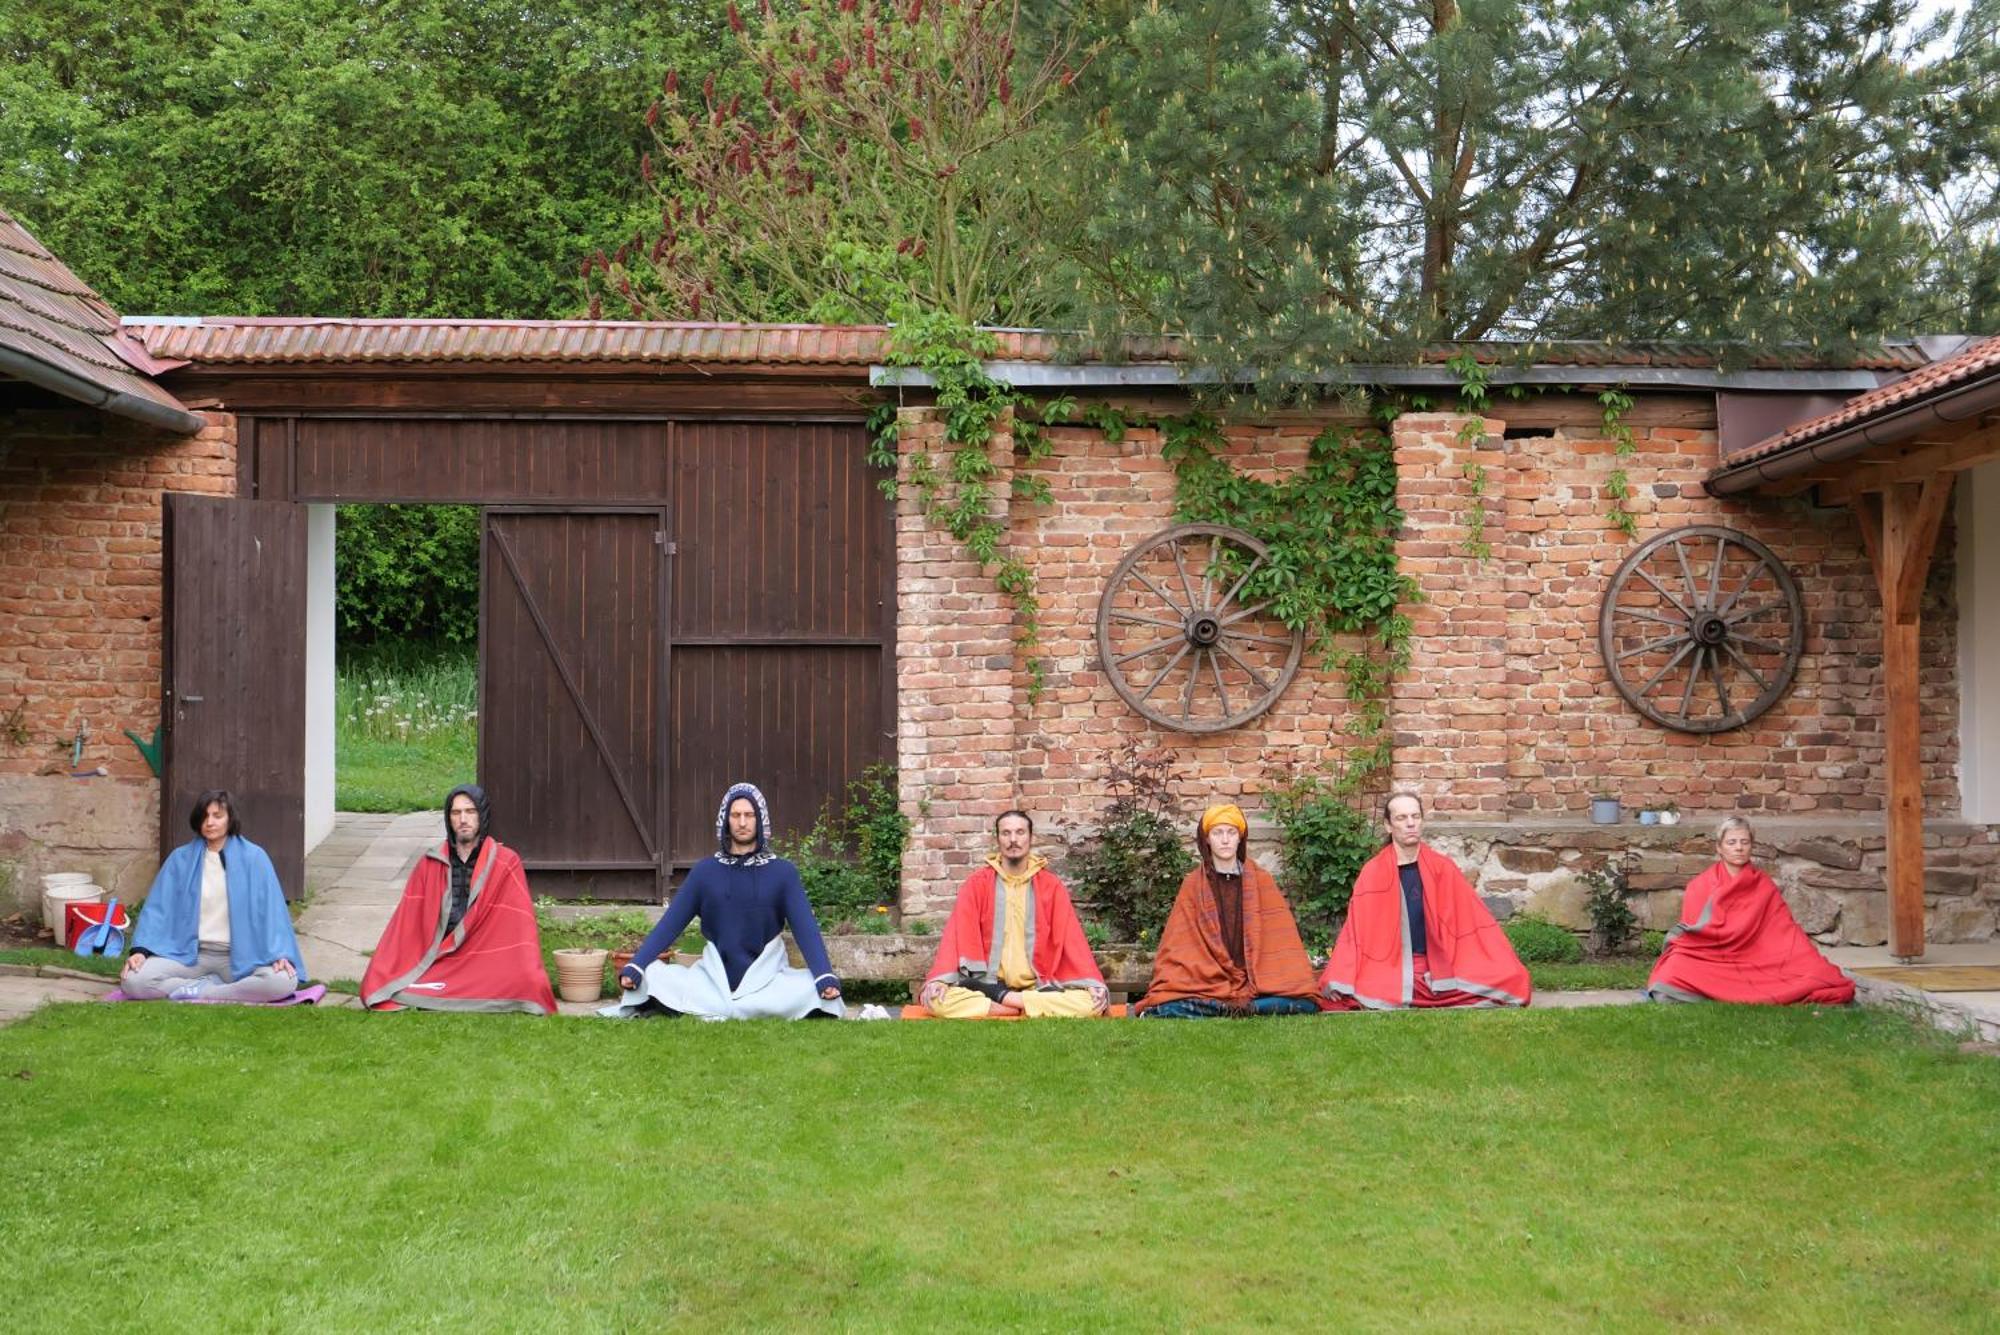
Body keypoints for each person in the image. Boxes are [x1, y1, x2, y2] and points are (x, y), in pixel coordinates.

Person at [603, 783, 843, 1020]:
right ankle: (735, 1008)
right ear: (725, 820)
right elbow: (670, 924)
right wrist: (636, 965)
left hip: (768, 981)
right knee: (652, 975)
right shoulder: (705, 872)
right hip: (712, 982)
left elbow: (806, 929)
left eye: (749, 815)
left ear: (760, 820)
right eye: (735, 815)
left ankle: (722, 1008)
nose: (742, 822)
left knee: (811, 989)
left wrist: (824, 975)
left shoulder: (783, 873)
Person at [1320, 791, 1531, 1009]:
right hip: (1394, 964)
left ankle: (1423, 991)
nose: (1410, 823)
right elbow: (1354, 934)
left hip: (1443, 959)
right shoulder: (1373, 872)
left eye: (1415, 816)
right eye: (1402, 818)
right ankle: (1423, 991)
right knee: (1375, 985)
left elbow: (1476, 924)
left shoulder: (1443, 868)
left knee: (1511, 977)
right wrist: (1338, 975)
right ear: (1388, 826)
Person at [361, 784, 555, 1014]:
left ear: (482, 815)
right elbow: (406, 924)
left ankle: (443, 991)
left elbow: (518, 928)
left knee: (529, 982)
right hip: (440, 955)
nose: (463, 819)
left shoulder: (505, 862)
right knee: (379, 980)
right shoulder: (430, 863)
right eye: (456, 813)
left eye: (470, 812)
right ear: (448, 818)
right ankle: (450, 988)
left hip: (483, 955)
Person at [1136, 803, 1326, 1018]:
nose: (1225, 840)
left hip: (1258, 979)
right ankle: (1242, 1010)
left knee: (1306, 1003)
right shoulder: (1193, 885)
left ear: (1240, 838)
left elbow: (1280, 940)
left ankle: (1235, 1009)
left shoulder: (1262, 880)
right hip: (1209, 982)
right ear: (1207, 839)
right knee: (1167, 1006)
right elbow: (1179, 945)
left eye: (1231, 832)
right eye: (1217, 833)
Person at [122, 789, 309, 1002]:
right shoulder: (179, 859)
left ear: (230, 819)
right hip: (188, 955)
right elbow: (158, 909)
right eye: (205, 816)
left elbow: (273, 912)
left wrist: (280, 953)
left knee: (282, 981)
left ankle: (201, 991)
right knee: (133, 981)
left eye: (217, 816)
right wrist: (141, 951)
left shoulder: (255, 858)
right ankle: (215, 990)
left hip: (242, 956)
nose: (210, 822)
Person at [920, 810, 1108, 1018]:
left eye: (1020, 832)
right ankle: (1023, 1007)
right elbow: (955, 935)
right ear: (997, 839)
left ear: (1031, 837)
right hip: (987, 983)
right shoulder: (977, 884)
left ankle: (1007, 1002)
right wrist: (939, 980)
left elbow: (1072, 939)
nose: (1013, 840)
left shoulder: (1051, 886)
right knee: (935, 1001)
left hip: (1037, 987)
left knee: (1091, 1004)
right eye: (1006, 833)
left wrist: (1091, 982)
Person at [1647, 817, 1855, 1005]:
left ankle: (1728, 990)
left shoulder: (1764, 885)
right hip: (1713, 960)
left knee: (1817, 972)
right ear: (1719, 848)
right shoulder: (1699, 886)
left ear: (1751, 847)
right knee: (1672, 971)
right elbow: (1694, 940)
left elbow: (1784, 930)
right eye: (1732, 842)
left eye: (1744, 842)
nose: (1739, 848)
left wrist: (1805, 954)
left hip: (1757, 960)